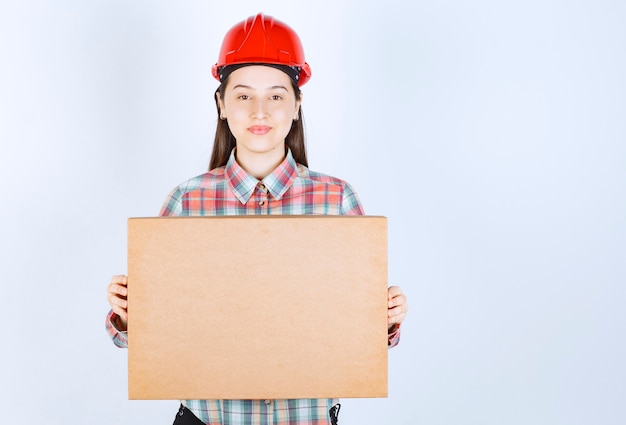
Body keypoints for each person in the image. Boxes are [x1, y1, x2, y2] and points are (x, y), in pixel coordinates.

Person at [106, 12, 408, 425]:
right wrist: (127, 314)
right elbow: (149, 341)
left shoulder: (336, 199)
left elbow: (356, 340)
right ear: (221, 104)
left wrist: (385, 319)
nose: (260, 111)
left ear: (297, 104)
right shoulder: (188, 201)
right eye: (244, 96)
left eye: (277, 96)